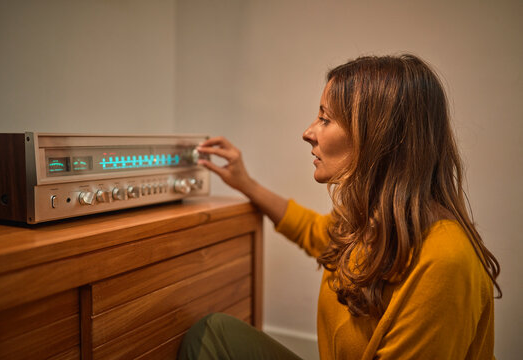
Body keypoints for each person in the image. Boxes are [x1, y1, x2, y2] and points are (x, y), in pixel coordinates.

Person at [178, 54, 501, 360]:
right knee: (213, 332)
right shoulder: (367, 221)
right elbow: (314, 231)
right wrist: (245, 184)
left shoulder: (445, 261)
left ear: (379, 137)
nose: (308, 133)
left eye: (325, 118)